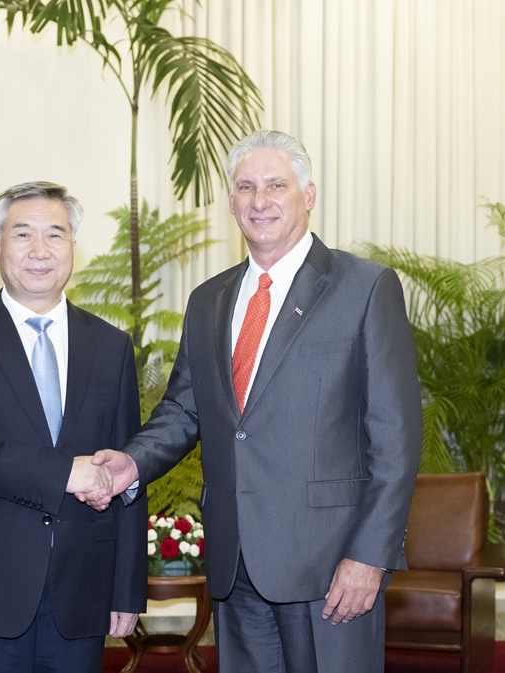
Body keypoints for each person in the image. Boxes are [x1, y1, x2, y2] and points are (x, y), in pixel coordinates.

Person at [84, 131, 423, 673]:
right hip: (235, 562)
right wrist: (132, 462)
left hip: (331, 565)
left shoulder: (365, 287)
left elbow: (396, 439)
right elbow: (185, 409)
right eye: (245, 187)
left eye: (275, 185)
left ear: (308, 194)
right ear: (231, 201)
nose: (259, 201)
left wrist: (369, 557)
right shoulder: (208, 300)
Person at [0, 181, 148, 673]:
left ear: (73, 248)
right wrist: (64, 473)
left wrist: (127, 589)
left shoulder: (111, 347)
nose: (39, 250)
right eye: (22, 235)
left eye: (55, 234)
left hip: (80, 593)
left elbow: (127, 469)